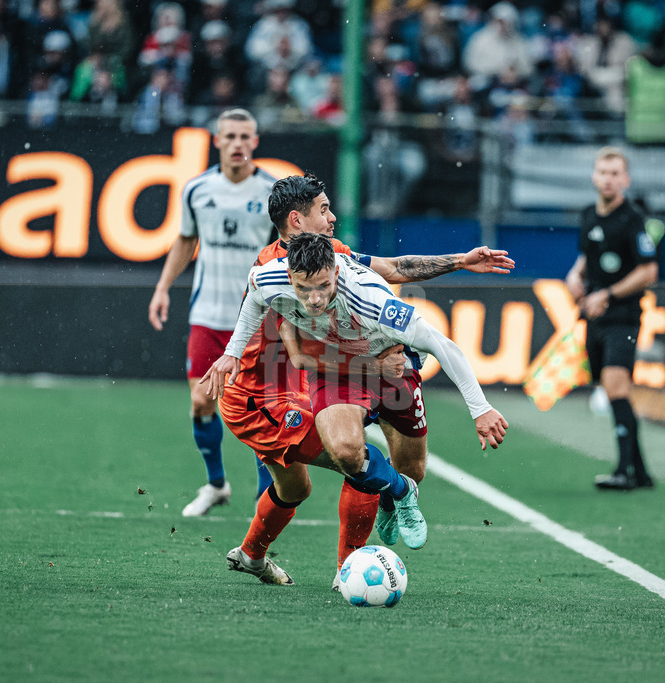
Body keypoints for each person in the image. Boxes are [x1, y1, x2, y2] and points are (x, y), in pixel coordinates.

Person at [212, 174, 514, 586]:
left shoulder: (333, 255)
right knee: (350, 455)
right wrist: (231, 354)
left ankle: (251, 555)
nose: (333, 216)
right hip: (267, 395)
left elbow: (392, 269)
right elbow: (298, 353)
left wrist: (460, 260)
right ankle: (350, 567)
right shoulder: (273, 270)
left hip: (331, 373)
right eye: (323, 209)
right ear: (297, 222)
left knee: (305, 487)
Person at [148, 108, 277, 517]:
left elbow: (287, 252)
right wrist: (163, 287)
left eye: (245, 136)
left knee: (262, 412)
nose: (238, 143)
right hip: (207, 313)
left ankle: (263, 509)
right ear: (217, 141)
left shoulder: (274, 192)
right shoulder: (197, 189)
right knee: (202, 401)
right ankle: (216, 484)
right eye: (230, 136)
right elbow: (186, 240)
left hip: (258, 320)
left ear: (255, 142)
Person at [564, 147, 658, 491]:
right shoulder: (589, 214)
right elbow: (584, 258)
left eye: (616, 173)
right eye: (604, 172)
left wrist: (609, 294)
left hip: (624, 316)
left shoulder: (633, 220)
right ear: (594, 176)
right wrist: (575, 276)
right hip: (594, 316)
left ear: (626, 180)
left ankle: (624, 471)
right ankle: (641, 472)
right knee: (611, 388)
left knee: (617, 387)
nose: (609, 179)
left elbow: (649, 270)